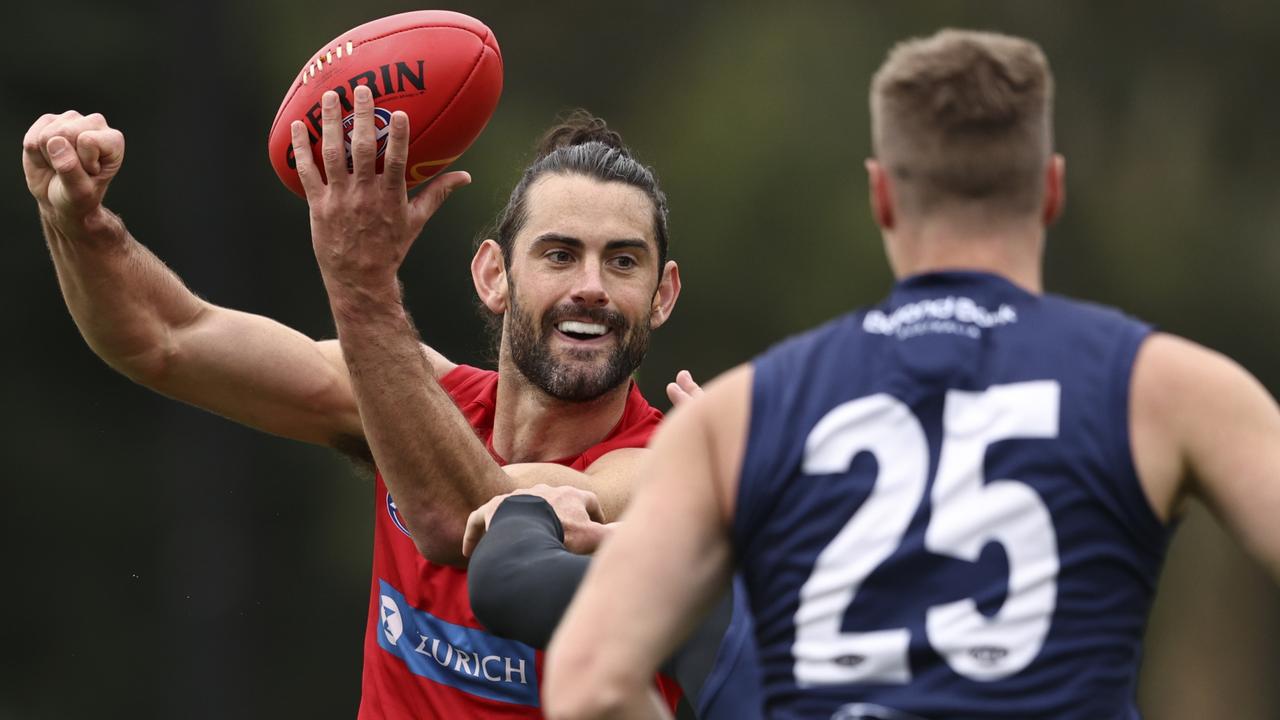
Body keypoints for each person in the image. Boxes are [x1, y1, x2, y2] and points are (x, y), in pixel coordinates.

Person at [542, 28, 1280, 720]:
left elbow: (590, 684)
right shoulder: (1166, 387)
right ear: (1051, 190)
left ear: (882, 195)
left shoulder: (737, 413)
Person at [22, 87, 694, 717]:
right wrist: (79, 223)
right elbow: (162, 339)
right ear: (494, 276)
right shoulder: (404, 392)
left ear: (662, 296)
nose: (591, 287)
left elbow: (471, 516)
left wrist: (363, 284)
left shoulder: (675, 469)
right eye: (558, 254)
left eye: (623, 262)